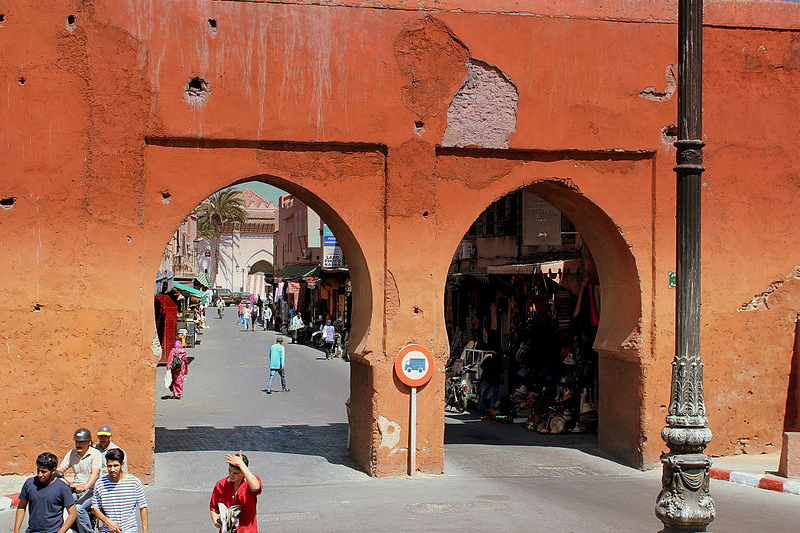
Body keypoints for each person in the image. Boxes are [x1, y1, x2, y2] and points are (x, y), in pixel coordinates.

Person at [13, 452, 77, 533]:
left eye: (44, 472)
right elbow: (21, 507)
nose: (40, 474)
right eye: (38, 470)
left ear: (53, 470)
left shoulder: (62, 488)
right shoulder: (29, 483)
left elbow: (73, 514)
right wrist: (16, 530)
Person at [56, 428, 103, 533]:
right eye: (76, 441)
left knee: (78, 509)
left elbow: (95, 474)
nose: (78, 444)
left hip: (92, 491)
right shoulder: (72, 453)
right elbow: (61, 468)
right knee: (60, 503)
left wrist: (85, 487)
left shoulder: (95, 454)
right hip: (76, 489)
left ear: (88, 442)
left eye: (81, 442)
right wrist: (54, 473)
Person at [91, 449, 148, 533]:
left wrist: (145, 530)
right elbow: (94, 508)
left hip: (130, 530)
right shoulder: (100, 484)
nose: (112, 469)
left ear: (122, 464)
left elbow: (143, 507)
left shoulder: (134, 482)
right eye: (109, 466)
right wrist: (108, 522)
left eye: (115, 465)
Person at [209, 453, 262, 533]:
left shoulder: (250, 483)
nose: (231, 475)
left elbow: (256, 487)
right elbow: (213, 508)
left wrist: (241, 464)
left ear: (243, 472)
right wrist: (217, 522)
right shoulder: (220, 485)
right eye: (229, 471)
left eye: (235, 473)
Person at [478, 352, 503, 419]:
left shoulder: (488, 358)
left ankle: (481, 411)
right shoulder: (499, 360)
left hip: (487, 378)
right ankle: (491, 411)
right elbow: (501, 370)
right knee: (494, 395)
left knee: (483, 394)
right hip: (495, 379)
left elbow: (481, 366)